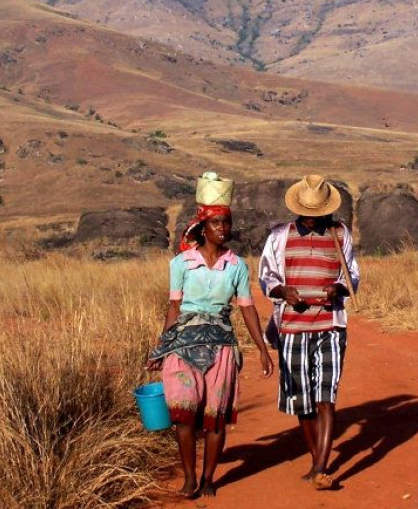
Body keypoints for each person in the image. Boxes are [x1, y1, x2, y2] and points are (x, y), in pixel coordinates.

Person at [147, 172, 274, 499]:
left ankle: (208, 479)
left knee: (215, 419)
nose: (223, 228)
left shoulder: (236, 266)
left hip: (221, 347)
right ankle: (190, 478)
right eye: (216, 223)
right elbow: (174, 308)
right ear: (203, 227)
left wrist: (262, 349)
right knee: (184, 416)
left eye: (226, 223)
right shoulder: (181, 263)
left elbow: (246, 308)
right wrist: (161, 348)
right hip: (183, 345)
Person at [258, 174, 360, 490]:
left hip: (330, 326)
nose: (315, 219)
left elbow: (352, 274)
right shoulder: (280, 236)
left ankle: (320, 467)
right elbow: (266, 276)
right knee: (302, 401)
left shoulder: (339, 233)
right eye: (310, 213)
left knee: (326, 396)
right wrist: (282, 292)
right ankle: (318, 463)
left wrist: (337, 289)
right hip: (292, 327)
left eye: (320, 212)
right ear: (299, 209)